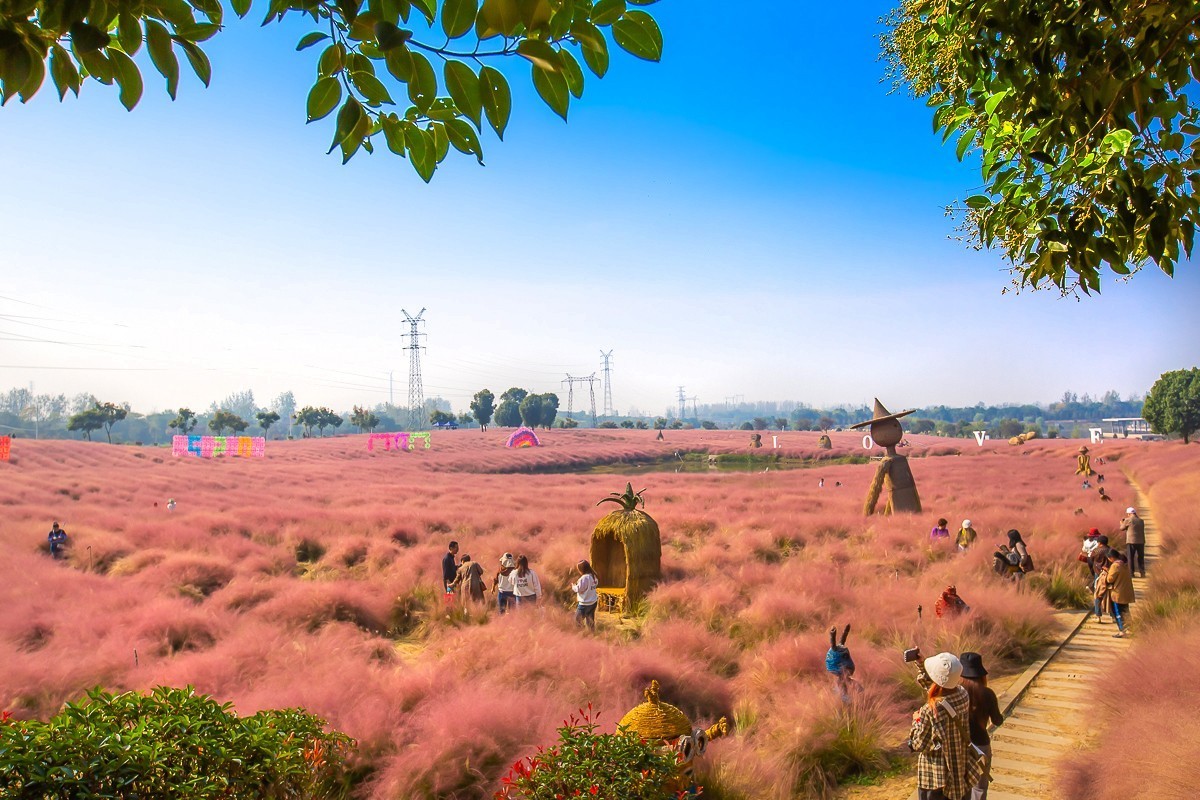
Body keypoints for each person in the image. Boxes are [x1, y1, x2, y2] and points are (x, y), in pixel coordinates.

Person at [908, 652, 973, 800]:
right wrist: (921, 666)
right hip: (959, 769)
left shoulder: (929, 710)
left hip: (935, 777)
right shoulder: (963, 695)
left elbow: (919, 744)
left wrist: (916, 721)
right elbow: (940, 690)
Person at [959, 652, 1003, 800]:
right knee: (979, 787)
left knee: (961, 784)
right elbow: (997, 720)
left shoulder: (956, 693)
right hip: (981, 745)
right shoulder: (988, 693)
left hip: (960, 745)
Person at [1105, 548, 1136, 637]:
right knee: (1126, 611)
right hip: (1126, 591)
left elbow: (1110, 579)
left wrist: (1107, 572)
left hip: (1118, 593)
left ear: (1111, 558)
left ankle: (1122, 631)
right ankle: (1130, 629)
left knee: (1118, 612)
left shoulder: (1115, 565)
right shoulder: (1124, 563)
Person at [825, 624, 859, 703]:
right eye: (847, 671)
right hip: (845, 703)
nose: (849, 673)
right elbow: (833, 644)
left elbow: (842, 640)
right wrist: (832, 634)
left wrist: (846, 631)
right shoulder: (840, 682)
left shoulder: (850, 681)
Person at [572, 560, 599, 631]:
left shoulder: (584, 578)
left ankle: (581, 634)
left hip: (584, 603)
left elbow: (579, 589)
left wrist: (573, 586)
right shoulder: (594, 575)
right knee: (590, 621)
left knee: (577, 620)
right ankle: (591, 635)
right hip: (593, 602)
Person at [1120, 507, 1146, 578]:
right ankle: (1142, 572)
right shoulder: (1141, 520)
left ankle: (1131, 573)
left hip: (1131, 541)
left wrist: (1122, 523)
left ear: (1129, 513)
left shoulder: (1128, 520)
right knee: (1140, 557)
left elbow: (1121, 528)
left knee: (1130, 557)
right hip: (1141, 541)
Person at [1090, 549, 1112, 623]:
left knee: (1098, 594)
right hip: (1109, 572)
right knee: (1110, 594)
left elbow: (1090, 559)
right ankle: (1113, 616)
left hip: (1098, 572)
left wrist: (1093, 570)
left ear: (1099, 543)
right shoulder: (1110, 550)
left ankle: (1098, 615)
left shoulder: (1096, 550)